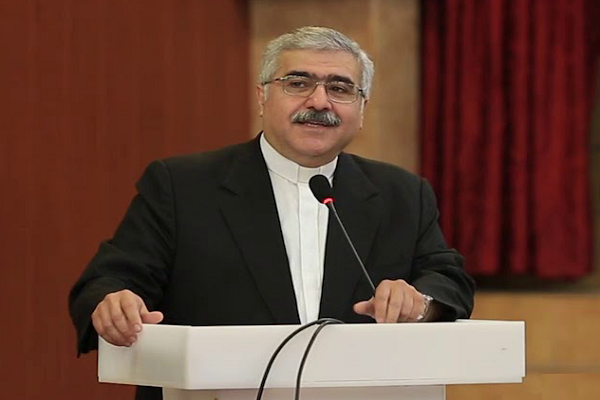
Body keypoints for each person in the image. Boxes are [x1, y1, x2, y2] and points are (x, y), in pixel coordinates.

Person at [69, 26, 475, 400]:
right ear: (262, 97)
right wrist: (113, 303)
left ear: (362, 108)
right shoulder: (181, 186)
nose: (319, 102)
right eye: (298, 83)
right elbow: (108, 281)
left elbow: (448, 280)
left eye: (340, 88)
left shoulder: (402, 193)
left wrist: (421, 302)